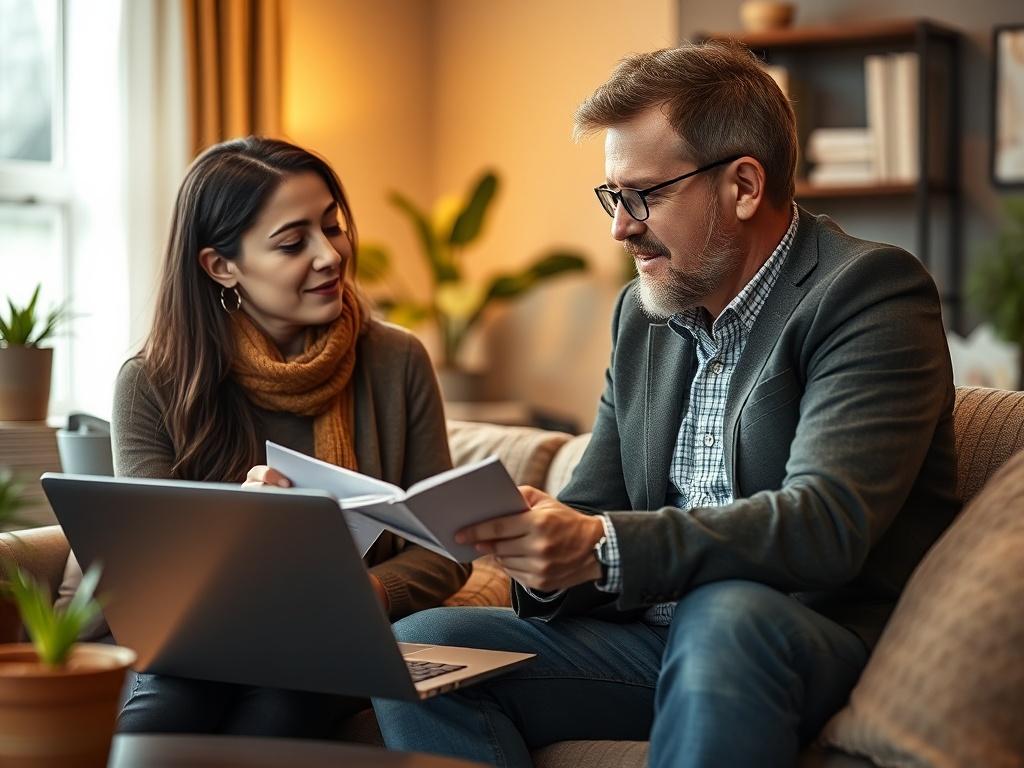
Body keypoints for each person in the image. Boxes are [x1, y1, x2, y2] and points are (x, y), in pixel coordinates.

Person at [373, 41, 959, 768]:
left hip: (801, 636)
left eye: (642, 195)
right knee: (419, 649)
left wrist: (603, 547)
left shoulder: (867, 291)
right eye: (613, 197)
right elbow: (594, 504)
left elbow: (827, 522)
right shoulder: (644, 315)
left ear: (743, 185)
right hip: (655, 642)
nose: (620, 227)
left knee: (726, 612)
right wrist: (535, 545)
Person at [103, 136, 470, 737]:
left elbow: (444, 546)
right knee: (155, 728)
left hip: (334, 642)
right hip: (206, 640)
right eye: (293, 242)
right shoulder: (151, 382)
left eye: (333, 226)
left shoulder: (396, 360)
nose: (330, 255)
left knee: (272, 719)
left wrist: (367, 592)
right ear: (222, 265)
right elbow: (151, 586)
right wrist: (242, 536)